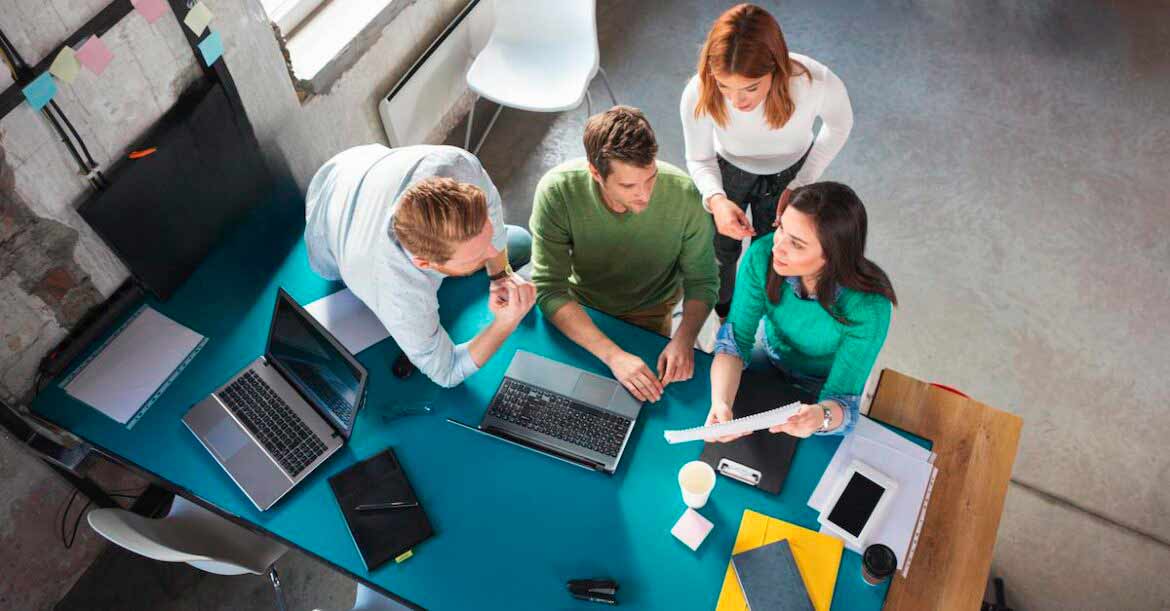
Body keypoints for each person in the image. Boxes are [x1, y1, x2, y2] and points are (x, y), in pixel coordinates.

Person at [530, 106, 719, 403]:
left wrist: (683, 339)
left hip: (652, 310)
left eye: (650, 178)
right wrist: (614, 356)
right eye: (628, 185)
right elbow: (550, 289)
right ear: (595, 173)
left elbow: (703, 281)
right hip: (582, 307)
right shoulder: (557, 192)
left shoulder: (685, 196)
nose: (645, 194)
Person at [304, 144, 535, 388]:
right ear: (425, 263)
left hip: (360, 165)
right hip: (329, 213)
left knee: (518, 241)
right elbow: (448, 372)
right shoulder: (393, 287)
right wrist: (504, 324)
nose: (492, 251)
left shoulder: (461, 168)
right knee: (411, 327)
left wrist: (500, 274)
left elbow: (493, 209)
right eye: (476, 255)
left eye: (486, 236)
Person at [681, 3, 854, 320]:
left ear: (776, 68)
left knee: (776, 251)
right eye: (724, 86)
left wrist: (802, 181)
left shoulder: (814, 82)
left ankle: (761, 315)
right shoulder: (698, 90)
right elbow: (698, 157)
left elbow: (840, 124)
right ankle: (724, 315)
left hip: (791, 173)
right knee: (719, 252)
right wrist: (716, 200)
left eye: (750, 87)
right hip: (726, 171)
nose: (737, 101)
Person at [705, 182, 895, 438]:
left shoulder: (870, 308)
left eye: (796, 244)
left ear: (833, 255)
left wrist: (821, 417)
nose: (777, 246)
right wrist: (721, 403)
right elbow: (734, 342)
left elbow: (843, 402)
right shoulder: (762, 256)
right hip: (770, 357)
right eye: (781, 228)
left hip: (822, 383)